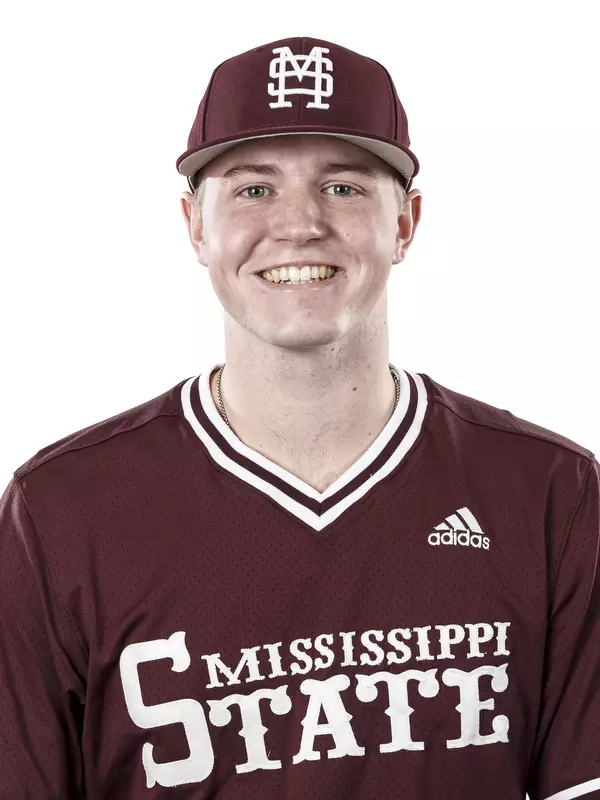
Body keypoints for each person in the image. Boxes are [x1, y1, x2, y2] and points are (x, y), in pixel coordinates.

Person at [0, 35, 598, 800]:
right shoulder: (62, 513)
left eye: (343, 187)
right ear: (195, 226)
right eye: (253, 190)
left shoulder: (552, 495)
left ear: (406, 222)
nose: (299, 224)